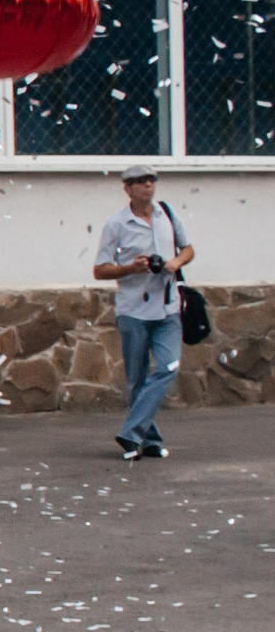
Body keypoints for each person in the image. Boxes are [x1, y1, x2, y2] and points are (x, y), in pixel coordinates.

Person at [96, 164, 193, 461]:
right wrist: (131, 268)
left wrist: (176, 263)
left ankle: (130, 434)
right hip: (134, 310)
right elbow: (100, 269)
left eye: (151, 180)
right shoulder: (116, 224)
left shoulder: (167, 214)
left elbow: (188, 249)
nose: (147, 185)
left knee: (168, 367)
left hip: (167, 307)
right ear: (127, 188)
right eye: (140, 181)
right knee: (136, 379)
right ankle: (148, 441)